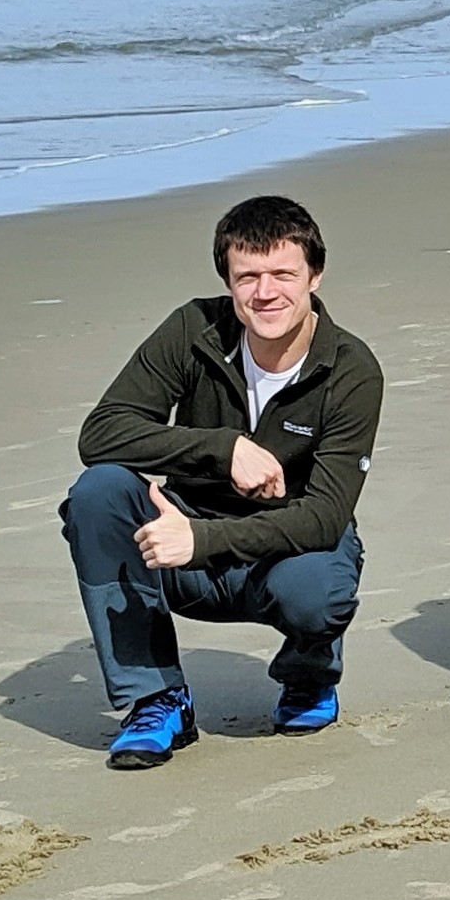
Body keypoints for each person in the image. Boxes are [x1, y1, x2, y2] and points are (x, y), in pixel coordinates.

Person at [62, 194, 387, 772]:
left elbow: (324, 518)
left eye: (283, 274)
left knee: (319, 590)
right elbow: (102, 433)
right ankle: (156, 698)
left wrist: (202, 540)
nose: (265, 292)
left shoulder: (351, 368)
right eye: (248, 277)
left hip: (288, 551)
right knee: (98, 492)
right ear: (228, 281)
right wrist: (223, 448)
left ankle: (308, 677)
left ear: (315, 275)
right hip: (182, 540)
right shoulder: (195, 328)